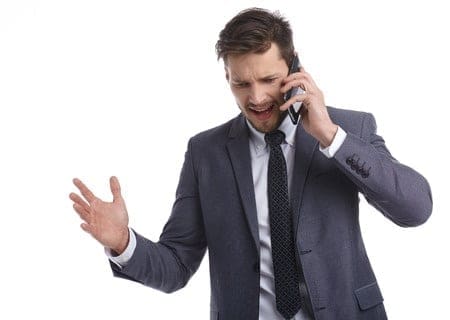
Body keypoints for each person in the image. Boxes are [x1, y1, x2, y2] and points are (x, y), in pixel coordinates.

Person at [69, 7, 432, 320]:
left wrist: (330, 136)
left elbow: (415, 209)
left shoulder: (349, 129)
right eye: (241, 83)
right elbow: (177, 266)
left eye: (269, 80)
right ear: (227, 78)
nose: (256, 97)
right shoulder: (205, 153)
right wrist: (123, 243)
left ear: (294, 70)